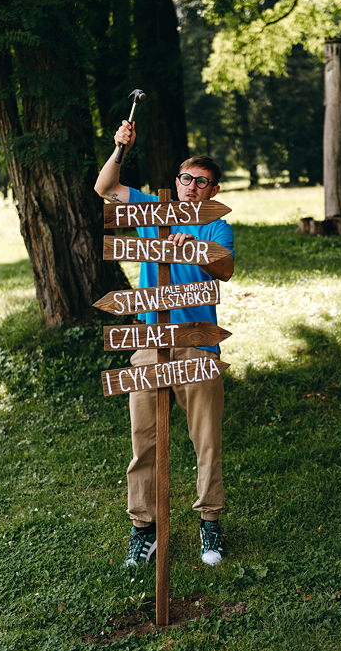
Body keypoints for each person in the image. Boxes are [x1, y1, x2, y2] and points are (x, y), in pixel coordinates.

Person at [94, 120, 234, 567]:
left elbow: (225, 268)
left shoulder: (216, 226)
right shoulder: (151, 210)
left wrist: (191, 242)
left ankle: (209, 524)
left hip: (196, 344)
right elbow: (105, 188)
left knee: (205, 441)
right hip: (149, 341)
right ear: (176, 182)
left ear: (213, 191)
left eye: (203, 182)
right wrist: (120, 148)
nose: (193, 187)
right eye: (186, 179)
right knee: (144, 441)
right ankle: (144, 529)